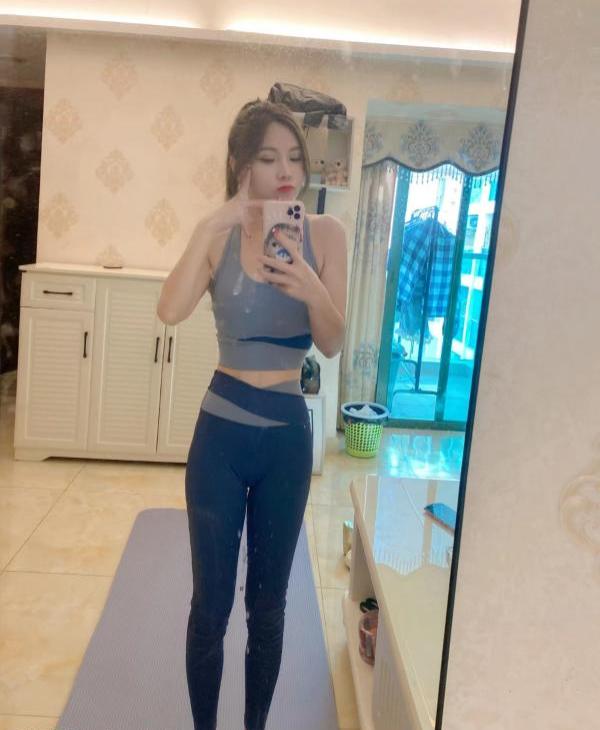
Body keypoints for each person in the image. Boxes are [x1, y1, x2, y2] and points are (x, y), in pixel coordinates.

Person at [157, 99, 347, 730]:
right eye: (268, 158)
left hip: (286, 441)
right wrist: (211, 223)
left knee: (268, 608)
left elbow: (332, 341)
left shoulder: (327, 234)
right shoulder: (220, 235)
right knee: (210, 607)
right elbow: (170, 310)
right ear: (242, 169)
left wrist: (309, 285)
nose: (286, 171)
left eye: (294, 157)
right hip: (220, 437)